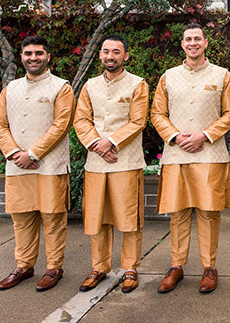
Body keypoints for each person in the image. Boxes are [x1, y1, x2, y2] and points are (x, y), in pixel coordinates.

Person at [150, 24, 230, 294]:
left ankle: (209, 267)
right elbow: (157, 114)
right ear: (182, 44)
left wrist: (204, 135)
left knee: (209, 213)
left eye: (197, 38)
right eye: (188, 39)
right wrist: (175, 137)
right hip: (177, 154)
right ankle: (176, 265)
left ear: (206, 43)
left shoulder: (223, 75)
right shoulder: (168, 76)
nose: (193, 43)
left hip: (209, 153)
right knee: (178, 212)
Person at [0, 35, 75, 292]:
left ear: (48, 56)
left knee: (53, 218)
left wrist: (34, 154)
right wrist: (15, 153)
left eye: (39, 53)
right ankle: (24, 266)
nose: (33, 58)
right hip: (17, 166)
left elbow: (61, 125)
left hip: (50, 165)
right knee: (22, 217)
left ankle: (54, 268)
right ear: (21, 57)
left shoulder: (62, 87)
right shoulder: (10, 88)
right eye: (28, 53)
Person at [73, 35, 149, 294]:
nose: (110, 56)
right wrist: (96, 144)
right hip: (95, 161)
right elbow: (81, 119)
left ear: (126, 56)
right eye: (106, 51)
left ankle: (130, 268)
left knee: (129, 217)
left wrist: (112, 142)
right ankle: (99, 267)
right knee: (97, 216)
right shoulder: (89, 86)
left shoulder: (138, 84)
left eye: (116, 51)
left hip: (125, 160)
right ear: (100, 55)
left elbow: (138, 121)